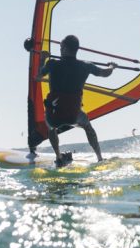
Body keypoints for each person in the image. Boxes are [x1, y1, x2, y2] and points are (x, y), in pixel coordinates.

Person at [35, 34, 114, 167]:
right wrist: (112, 66)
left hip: (54, 116)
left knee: (51, 127)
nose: (59, 50)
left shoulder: (52, 64)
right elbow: (105, 73)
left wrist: (42, 59)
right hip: (74, 115)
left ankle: (58, 157)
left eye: (61, 47)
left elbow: (38, 76)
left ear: (65, 49)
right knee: (88, 127)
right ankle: (100, 158)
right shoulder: (86, 66)